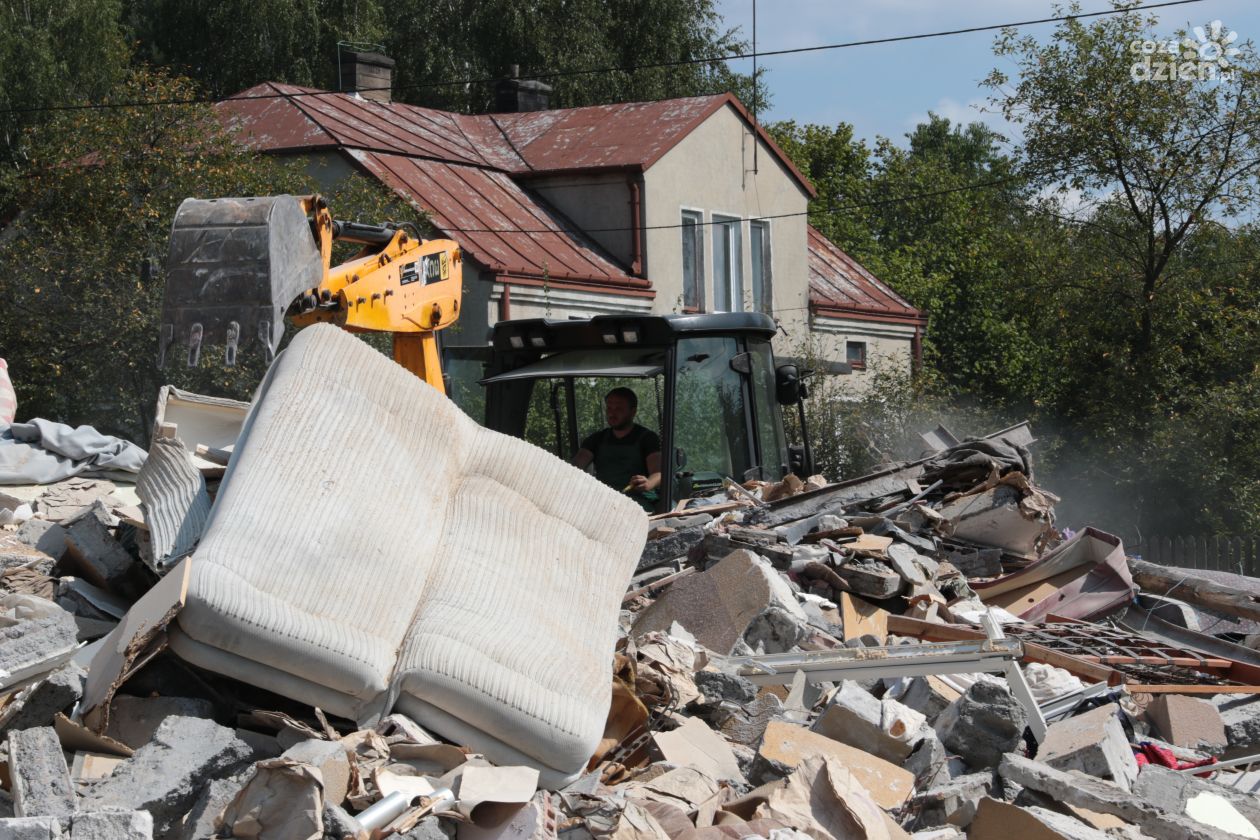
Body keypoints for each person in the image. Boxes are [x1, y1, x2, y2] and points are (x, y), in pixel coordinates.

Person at [573, 387, 661, 511]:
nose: (612, 413)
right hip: (603, 501)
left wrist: (648, 483)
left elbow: (658, 473)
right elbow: (574, 467)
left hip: (639, 502)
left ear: (633, 411)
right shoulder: (596, 439)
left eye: (618, 408)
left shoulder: (647, 438)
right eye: (609, 408)